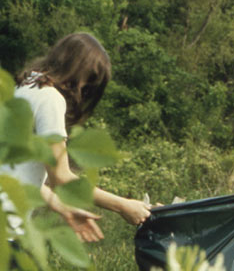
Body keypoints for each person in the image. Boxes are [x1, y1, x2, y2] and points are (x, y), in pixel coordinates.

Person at [0, 33, 151, 242]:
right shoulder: (50, 98)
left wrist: (62, 207)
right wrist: (123, 205)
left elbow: (14, 173)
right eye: (88, 84)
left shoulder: (25, 86)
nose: (83, 92)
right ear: (79, 74)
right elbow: (61, 178)